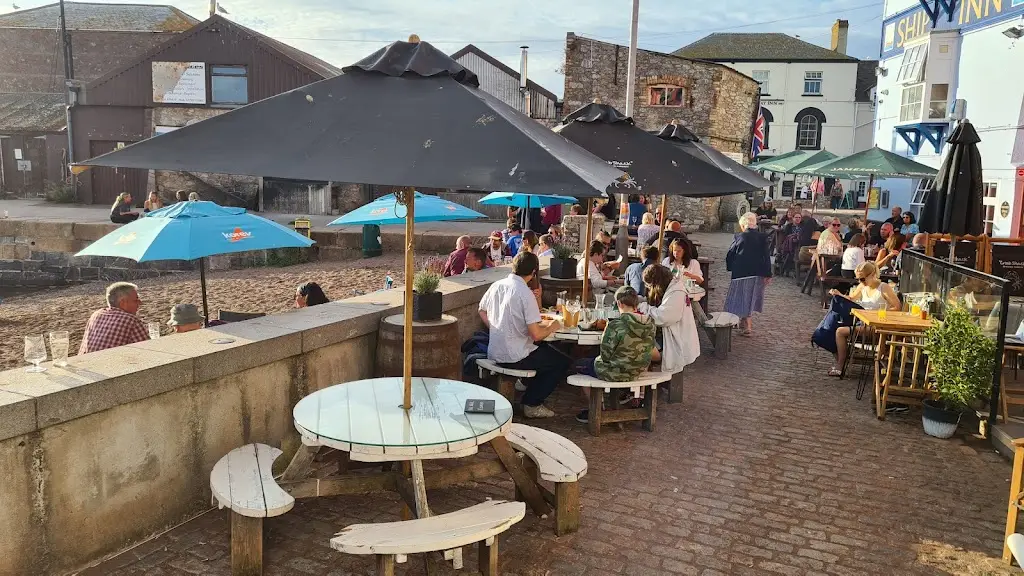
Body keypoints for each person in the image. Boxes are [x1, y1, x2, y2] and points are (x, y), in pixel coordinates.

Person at [478, 251, 567, 418]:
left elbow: (481, 309)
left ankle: (524, 385)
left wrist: (495, 328)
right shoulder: (525, 293)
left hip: (495, 349)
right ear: (534, 272)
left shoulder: (497, 285)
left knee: (546, 352)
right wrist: (554, 326)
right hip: (514, 355)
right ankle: (532, 403)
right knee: (560, 362)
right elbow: (536, 335)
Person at [574, 286, 656, 423]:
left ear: (618, 304)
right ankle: (609, 403)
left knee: (578, 364)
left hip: (615, 372)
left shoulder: (615, 325)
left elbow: (605, 356)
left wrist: (607, 328)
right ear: (636, 303)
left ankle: (598, 408)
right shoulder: (650, 323)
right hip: (637, 370)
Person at [828, 261, 901, 376]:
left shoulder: (883, 288)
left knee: (840, 332)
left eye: (862, 279)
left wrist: (878, 313)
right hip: (862, 323)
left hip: (876, 327)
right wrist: (839, 294)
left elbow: (897, 307)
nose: (860, 281)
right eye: (858, 279)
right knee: (831, 328)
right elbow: (851, 299)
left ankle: (840, 365)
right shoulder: (863, 286)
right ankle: (840, 360)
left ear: (872, 275)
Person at [639, 264, 699, 373]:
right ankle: (644, 385)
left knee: (637, 348)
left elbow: (663, 317)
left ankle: (643, 385)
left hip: (672, 341)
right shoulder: (669, 288)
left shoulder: (677, 292)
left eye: (649, 286)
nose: (648, 289)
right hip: (663, 336)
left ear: (656, 283)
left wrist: (643, 307)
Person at [725, 212, 773, 337]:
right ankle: (745, 322)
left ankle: (743, 323)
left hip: (741, 272)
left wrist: (730, 267)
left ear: (743, 225)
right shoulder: (762, 237)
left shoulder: (740, 236)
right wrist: (768, 273)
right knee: (750, 298)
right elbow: (766, 256)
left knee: (738, 297)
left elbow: (730, 254)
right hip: (757, 272)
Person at [79, 282, 149, 354]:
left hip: (83, 362)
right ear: (123, 303)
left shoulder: (96, 314)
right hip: (108, 364)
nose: (140, 303)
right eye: (135, 300)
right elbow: (148, 351)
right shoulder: (131, 320)